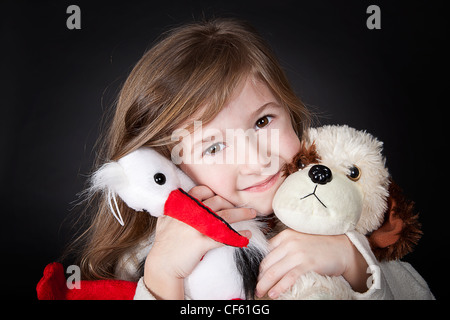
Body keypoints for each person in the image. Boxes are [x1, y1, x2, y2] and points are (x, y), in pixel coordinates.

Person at [72, 18, 433, 300]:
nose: (257, 160)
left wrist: (356, 266)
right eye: (213, 146)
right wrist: (163, 278)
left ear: (291, 113)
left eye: (262, 121)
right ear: (169, 168)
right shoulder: (151, 260)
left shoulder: (341, 212)